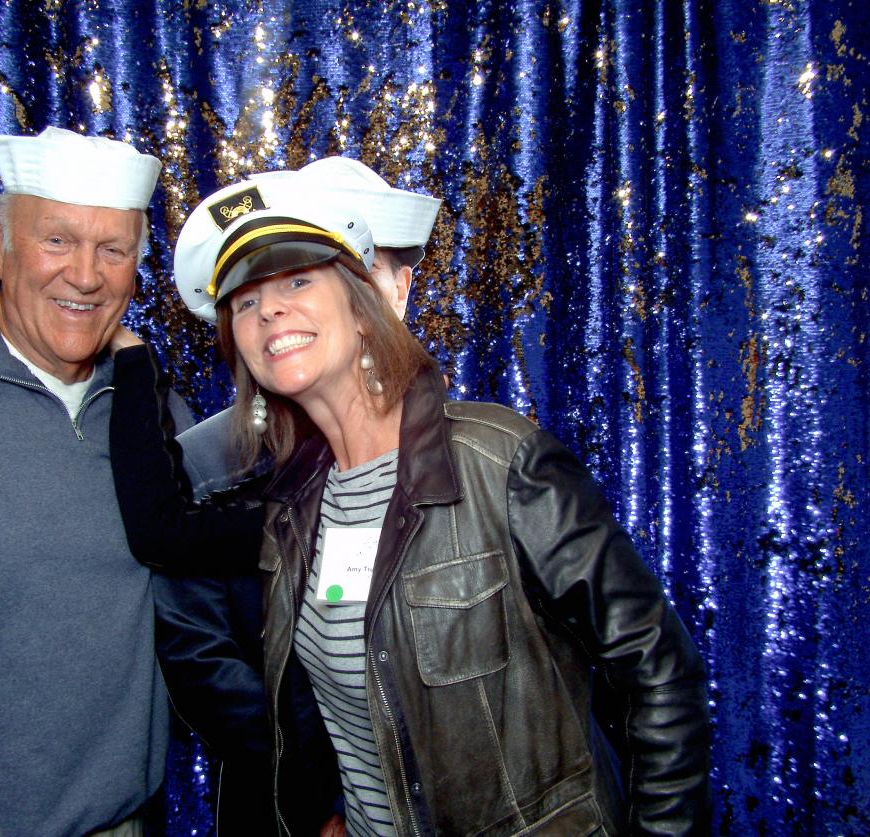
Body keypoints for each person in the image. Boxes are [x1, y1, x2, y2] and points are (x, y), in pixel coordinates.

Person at [108, 181, 712, 835]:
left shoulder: (496, 461)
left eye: (297, 281)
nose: (269, 310)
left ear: (363, 309)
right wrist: (328, 810)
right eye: (245, 302)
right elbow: (163, 534)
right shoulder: (291, 513)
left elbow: (658, 671)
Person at [0, 126, 212, 835]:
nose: (85, 276)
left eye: (113, 250)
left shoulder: (159, 416)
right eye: (57, 240)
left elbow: (206, 631)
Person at [151, 158, 441, 836]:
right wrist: (318, 796)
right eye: (258, 292)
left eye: (367, 270)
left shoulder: (472, 453)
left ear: (395, 291)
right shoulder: (206, 467)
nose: (286, 306)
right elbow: (201, 659)